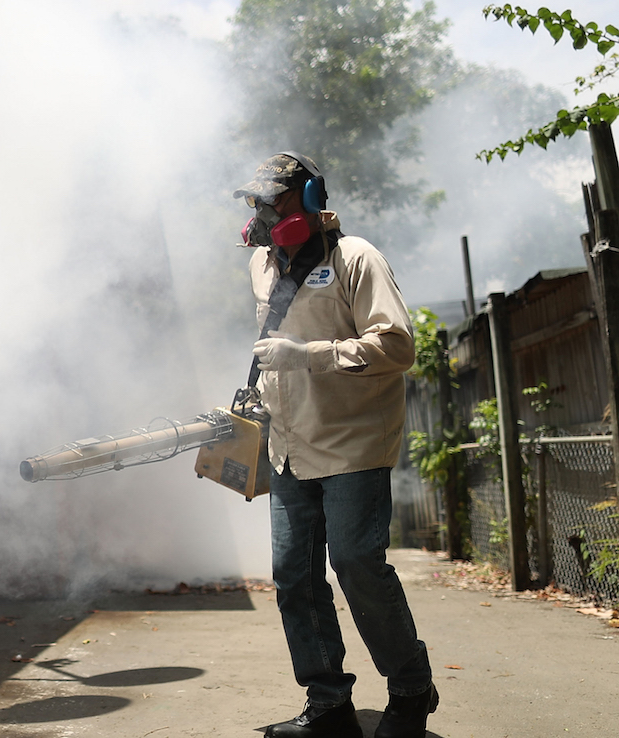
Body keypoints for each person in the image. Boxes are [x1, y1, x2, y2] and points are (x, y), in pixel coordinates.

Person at [232, 152, 437, 738]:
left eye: (278, 200)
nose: (267, 214)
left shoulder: (357, 258)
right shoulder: (262, 269)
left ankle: (410, 691)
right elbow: (272, 349)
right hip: (290, 447)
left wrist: (311, 356)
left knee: (354, 565)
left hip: (352, 446)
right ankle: (328, 705)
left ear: (313, 198)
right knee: (294, 577)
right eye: (258, 203)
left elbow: (397, 347)